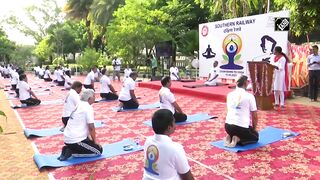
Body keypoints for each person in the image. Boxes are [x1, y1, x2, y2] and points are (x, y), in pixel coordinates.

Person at [143, 109, 194, 180]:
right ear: (169, 127)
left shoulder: (148, 140)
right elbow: (186, 176)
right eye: (174, 122)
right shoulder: (175, 148)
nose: (175, 125)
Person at [58, 89, 103, 161]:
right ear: (90, 98)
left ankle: (70, 148)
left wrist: (90, 139)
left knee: (90, 143)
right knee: (98, 151)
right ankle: (71, 151)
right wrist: (95, 141)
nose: (95, 98)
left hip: (68, 138)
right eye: (94, 97)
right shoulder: (88, 107)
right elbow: (91, 127)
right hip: (75, 140)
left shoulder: (79, 104)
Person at [224, 75, 259, 147]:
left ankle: (230, 136)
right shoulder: (249, 96)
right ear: (245, 83)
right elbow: (254, 116)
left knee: (236, 129)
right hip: (240, 128)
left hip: (227, 126)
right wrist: (253, 129)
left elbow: (228, 110)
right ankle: (238, 139)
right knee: (255, 137)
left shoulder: (229, 95)